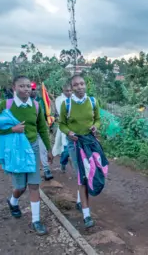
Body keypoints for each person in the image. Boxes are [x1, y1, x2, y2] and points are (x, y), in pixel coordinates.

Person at [0, 75, 53, 235]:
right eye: (21, 86)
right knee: (20, 186)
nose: (25, 89)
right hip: (16, 150)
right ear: (14, 87)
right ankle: (13, 201)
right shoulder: (6, 105)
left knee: (34, 185)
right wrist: (12, 129)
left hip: (33, 149)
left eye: (28, 86)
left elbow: (42, 128)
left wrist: (49, 149)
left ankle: (36, 221)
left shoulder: (36, 106)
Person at [59, 75, 104, 229]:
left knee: (95, 171)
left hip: (90, 143)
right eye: (76, 85)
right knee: (82, 176)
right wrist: (69, 132)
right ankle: (86, 214)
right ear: (71, 88)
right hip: (75, 144)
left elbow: (97, 119)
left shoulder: (93, 102)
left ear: (86, 85)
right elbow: (62, 125)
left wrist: (95, 126)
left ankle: (80, 200)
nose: (79, 87)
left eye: (82, 83)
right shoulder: (66, 104)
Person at [30, 82, 54, 181]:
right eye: (31, 89)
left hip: (41, 129)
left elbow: (48, 113)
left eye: (33, 89)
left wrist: (50, 123)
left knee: (43, 150)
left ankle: (46, 170)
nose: (32, 91)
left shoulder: (41, 101)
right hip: (29, 132)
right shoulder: (24, 103)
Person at [53, 83, 72, 172]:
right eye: (67, 91)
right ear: (63, 91)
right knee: (66, 148)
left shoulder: (74, 99)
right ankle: (63, 163)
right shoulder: (59, 100)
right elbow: (62, 113)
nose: (69, 92)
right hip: (65, 127)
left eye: (70, 91)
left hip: (76, 127)